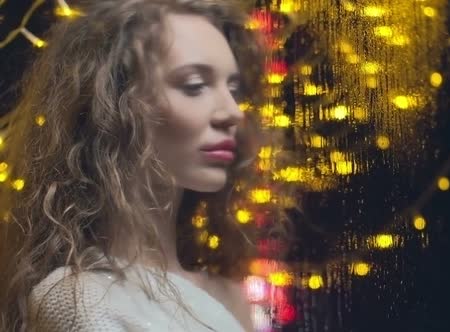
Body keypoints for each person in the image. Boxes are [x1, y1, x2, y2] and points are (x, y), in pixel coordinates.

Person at [0, 0, 288, 330]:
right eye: (195, 85)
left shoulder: (229, 292)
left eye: (233, 88)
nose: (234, 111)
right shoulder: (79, 299)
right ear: (117, 104)